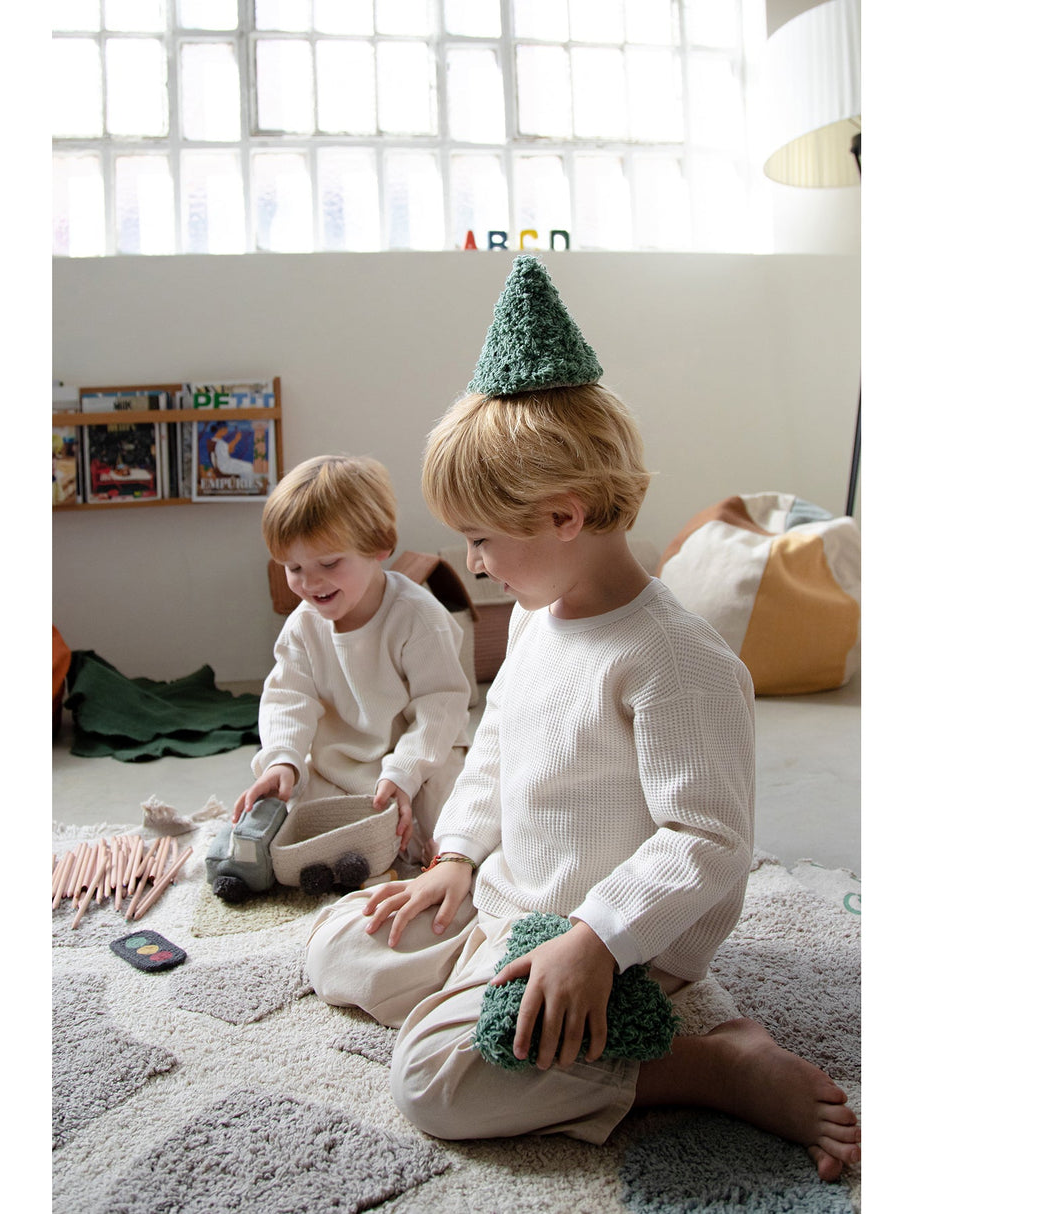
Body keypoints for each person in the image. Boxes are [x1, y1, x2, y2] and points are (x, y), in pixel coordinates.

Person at [304, 257, 860, 1182]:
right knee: (336, 948)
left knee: (434, 1082)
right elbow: (493, 748)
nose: (474, 565)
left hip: (606, 934)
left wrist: (596, 939)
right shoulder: (535, 619)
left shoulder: (674, 660)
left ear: (564, 516)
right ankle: (491, 989)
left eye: (481, 540)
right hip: (506, 902)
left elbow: (708, 839)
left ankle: (703, 1064)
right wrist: (455, 859)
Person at [233, 454, 471, 866]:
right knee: (296, 811)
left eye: (328, 563)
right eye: (294, 567)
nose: (310, 582)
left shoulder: (418, 617)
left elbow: (441, 708)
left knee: (451, 814)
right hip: (342, 766)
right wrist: (283, 759)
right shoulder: (302, 626)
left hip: (418, 757)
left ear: (379, 546)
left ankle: (422, 848)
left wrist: (404, 772)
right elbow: (288, 699)